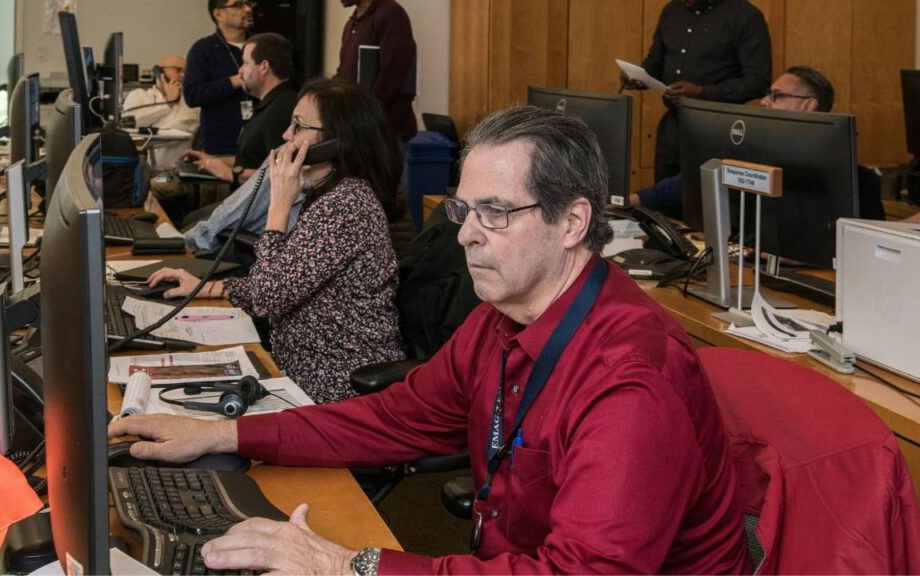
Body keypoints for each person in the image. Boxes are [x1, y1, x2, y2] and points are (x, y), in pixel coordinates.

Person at [111, 105, 751, 574]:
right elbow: (394, 418)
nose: (467, 235)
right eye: (462, 210)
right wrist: (224, 435)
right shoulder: (501, 321)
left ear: (572, 222)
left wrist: (347, 567)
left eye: (495, 213)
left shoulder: (632, 379)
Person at [148, 79, 405, 404]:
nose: (286, 135)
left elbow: (269, 295)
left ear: (336, 141)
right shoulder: (326, 196)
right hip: (299, 373)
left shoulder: (346, 205)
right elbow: (280, 280)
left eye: (298, 126)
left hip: (336, 388)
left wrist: (279, 205)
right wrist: (205, 287)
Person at [632, 65, 886, 221]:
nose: (765, 102)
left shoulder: (855, 179)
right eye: (767, 94)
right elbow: (695, 179)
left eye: (777, 96)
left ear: (809, 104)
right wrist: (634, 200)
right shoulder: (755, 153)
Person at [626, 0, 772, 182]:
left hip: (719, 129)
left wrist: (703, 93)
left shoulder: (745, 16)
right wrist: (639, 77)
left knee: (706, 198)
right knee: (662, 201)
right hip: (673, 126)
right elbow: (655, 63)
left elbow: (758, 81)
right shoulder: (672, 10)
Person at [181, 32, 300, 227]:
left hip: (260, 215)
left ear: (263, 67)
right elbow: (256, 159)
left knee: (190, 225)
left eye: (245, 63)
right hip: (250, 205)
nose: (241, 72)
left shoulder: (281, 110)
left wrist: (232, 173)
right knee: (191, 220)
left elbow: (282, 177)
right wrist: (214, 160)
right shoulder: (269, 105)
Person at [336, 0, 418, 143]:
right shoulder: (352, 24)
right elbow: (344, 73)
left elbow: (393, 76)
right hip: (359, 131)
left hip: (385, 135)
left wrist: (363, 115)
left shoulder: (391, 14)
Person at [185, 0, 254, 156]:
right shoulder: (203, 49)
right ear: (218, 14)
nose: (248, 9)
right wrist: (233, 82)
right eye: (238, 5)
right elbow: (192, 95)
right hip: (220, 147)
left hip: (260, 144)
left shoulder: (262, 45)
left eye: (249, 4)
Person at [121, 55, 200, 169]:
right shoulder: (138, 95)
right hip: (139, 170)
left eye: (186, 72)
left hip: (175, 169)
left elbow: (182, 131)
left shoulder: (191, 102)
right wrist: (167, 102)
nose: (183, 75)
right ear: (159, 72)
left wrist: (147, 132)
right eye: (177, 70)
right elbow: (131, 124)